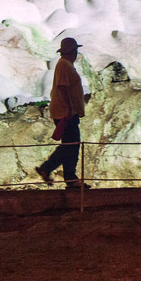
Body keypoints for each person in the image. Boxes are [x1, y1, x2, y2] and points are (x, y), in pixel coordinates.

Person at [35, 37, 91, 189]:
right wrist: (68, 109)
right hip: (65, 112)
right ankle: (50, 170)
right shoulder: (64, 65)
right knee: (71, 145)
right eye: (75, 51)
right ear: (73, 51)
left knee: (70, 145)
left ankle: (69, 179)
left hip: (67, 111)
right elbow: (63, 87)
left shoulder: (65, 65)